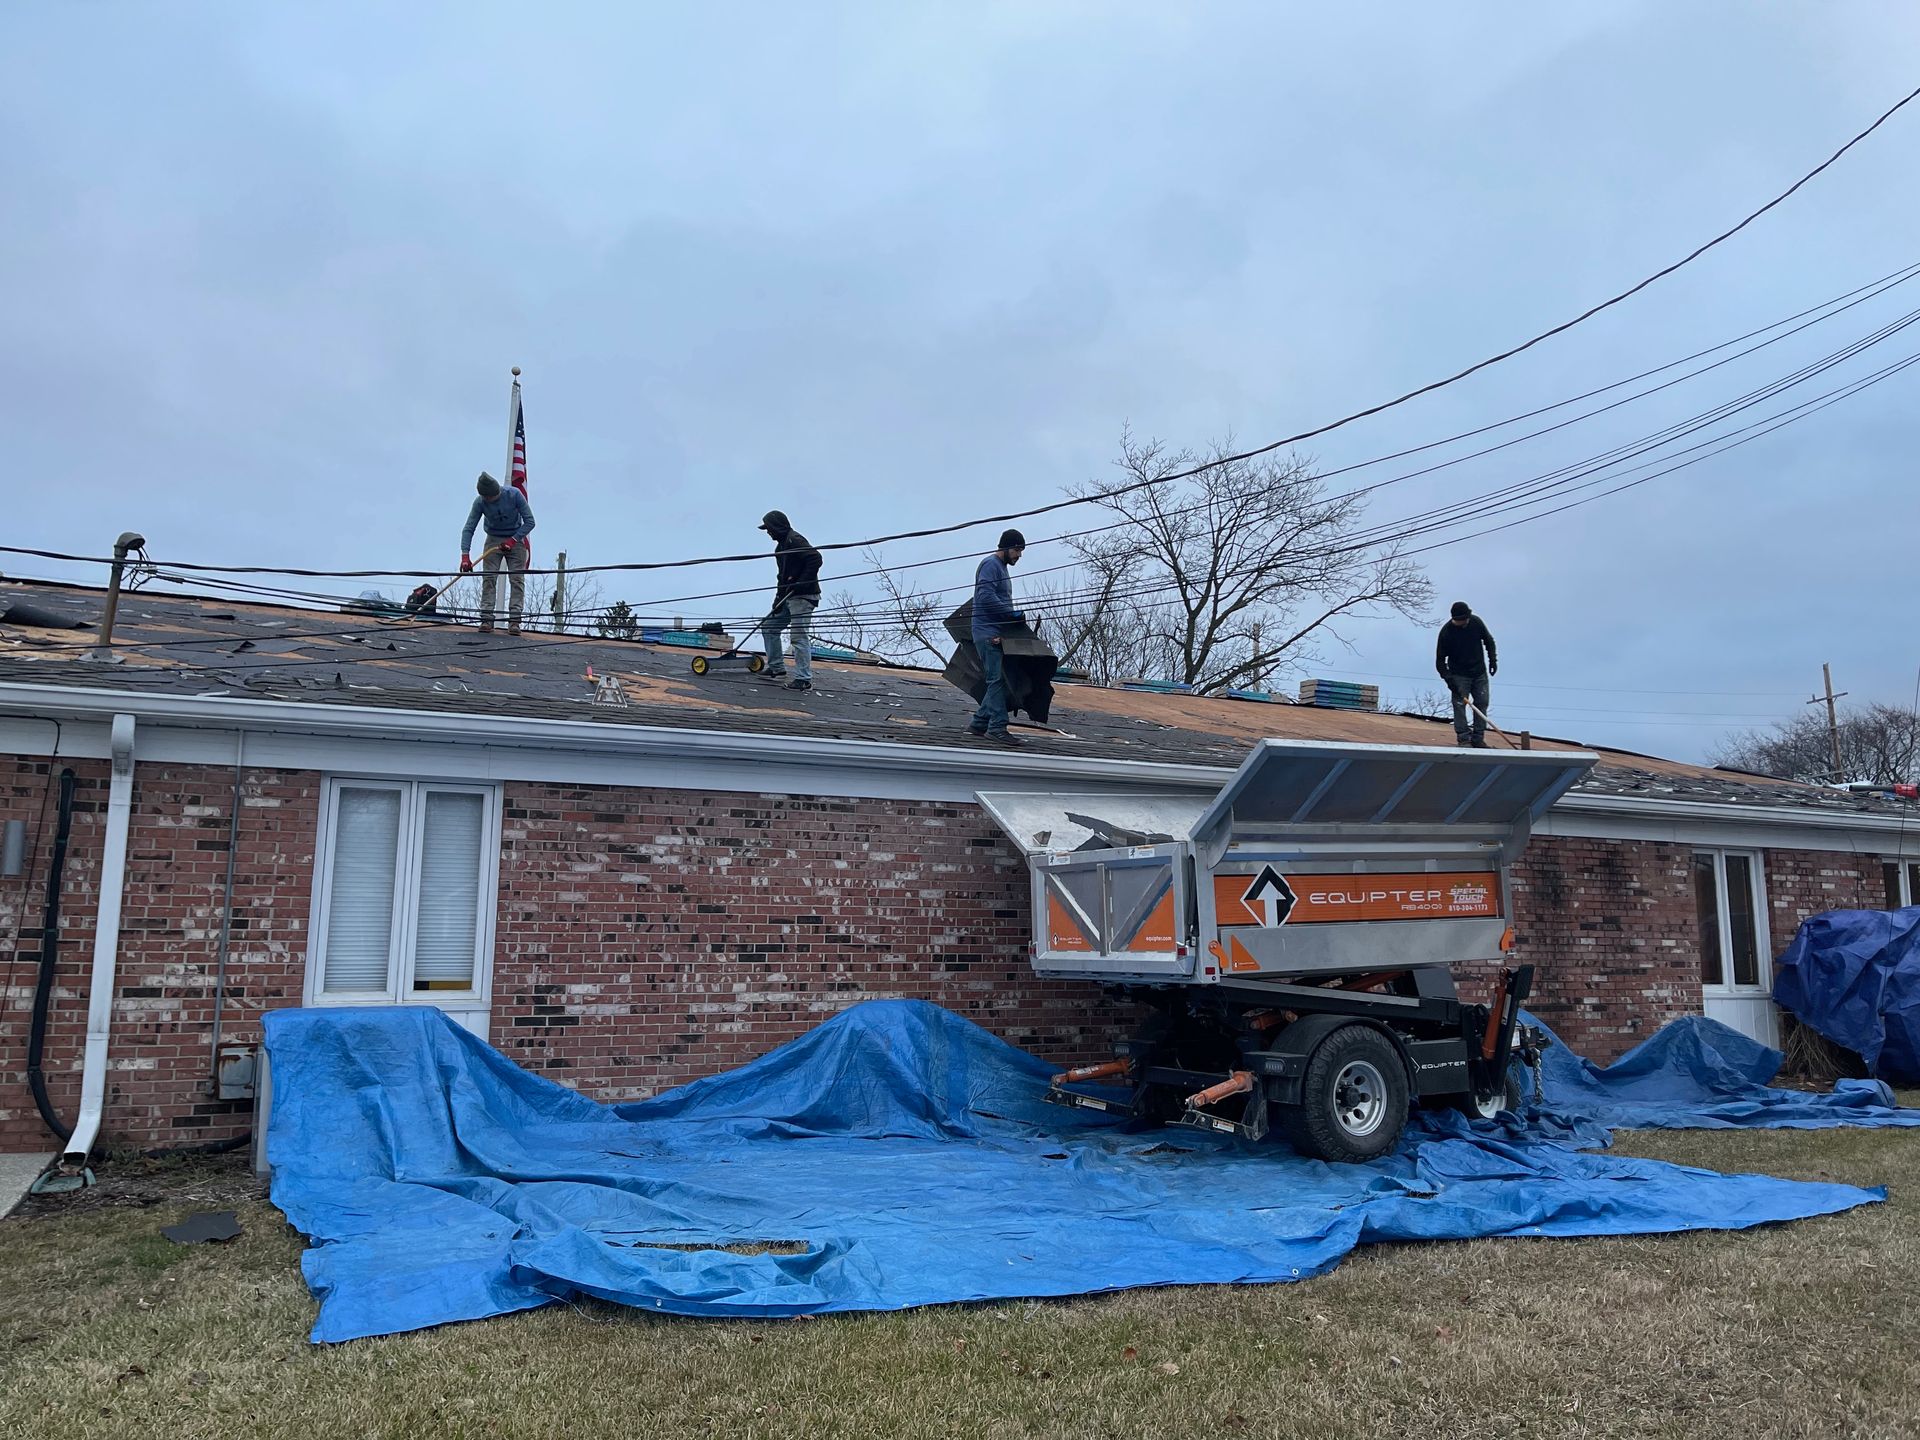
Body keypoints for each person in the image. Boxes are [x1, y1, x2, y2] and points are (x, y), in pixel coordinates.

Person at [967, 529, 1034, 745]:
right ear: (1005, 547)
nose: (1019, 555)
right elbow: (985, 597)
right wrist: (1009, 614)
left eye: (1021, 551)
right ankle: (996, 727)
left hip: (997, 632)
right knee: (996, 680)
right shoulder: (991, 565)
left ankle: (979, 723)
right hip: (987, 633)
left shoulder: (1002, 569)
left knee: (1003, 680)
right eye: (1016, 550)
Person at [459, 472, 537, 636]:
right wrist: (465, 555)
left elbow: (530, 521)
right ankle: (486, 619)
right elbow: (469, 528)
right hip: (493, 540)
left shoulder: (514, 495)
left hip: (515, 539)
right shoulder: (480, 502)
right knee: (489, 577)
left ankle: (515, 621)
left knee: (517, 579)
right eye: (487, 498)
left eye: (493, 497)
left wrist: (513, 540)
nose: (490, 500)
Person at [756, 511, 822, 691]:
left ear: (778, 526)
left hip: (803, 596)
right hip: (788, 596)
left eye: (769, 529)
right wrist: (777, 599)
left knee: (798, 636)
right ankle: (776, 667)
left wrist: (803, 582)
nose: (768, 533)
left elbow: (815, 558)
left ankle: (803, 679)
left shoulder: (795, 540)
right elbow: (782, 577)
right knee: (769, 627)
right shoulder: (780, 548)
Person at [1435, 600, 1498, 747]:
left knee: (1482, 703)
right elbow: (1439, 661)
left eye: (1464, 619)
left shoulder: (1476, 623)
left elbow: (1489, 641)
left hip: (1479, 673)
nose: (1463, 622)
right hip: (1459, 675)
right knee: (1459, 704)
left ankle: (1478, 738)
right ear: (1453, 619)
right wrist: (1449, 680)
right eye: (1459, 620)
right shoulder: (1446, 632)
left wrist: (1493, 660)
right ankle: (1463, 738)